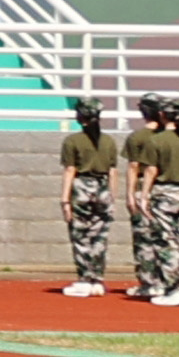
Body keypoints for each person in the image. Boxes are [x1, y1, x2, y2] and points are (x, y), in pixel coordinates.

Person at [129, 96, 179, 305]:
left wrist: (144, 196)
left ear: (162, 114)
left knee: (166, 242)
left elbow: (151, 171)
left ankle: (172, 289)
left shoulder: (156, 141)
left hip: (165, 195)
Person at [57, 101, 120, 296]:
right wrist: (112, 197)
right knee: (100, 237)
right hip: (103, 188)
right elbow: (113, 171)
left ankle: (85, 278)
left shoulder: (72, 141)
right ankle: (97, 279)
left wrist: (65, 199)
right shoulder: (108, 141)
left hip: (81, 188)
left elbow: (70, 170)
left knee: (81, 236)